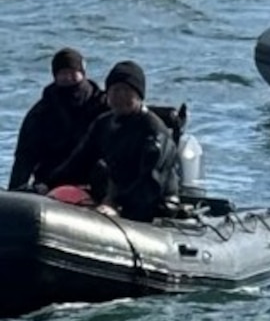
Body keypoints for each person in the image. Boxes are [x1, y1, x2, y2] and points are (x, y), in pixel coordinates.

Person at [47, 60, 179, 221]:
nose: (120, 97)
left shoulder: (154, 132)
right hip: (115, 197)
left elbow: (149, 183)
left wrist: (118, 207)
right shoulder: (104, 124)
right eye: (115, 90)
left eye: (126, 91)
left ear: (139, 95)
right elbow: (78, 162)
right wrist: (48, 184)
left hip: (152, 204)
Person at [7, 48, 106, 192]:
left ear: (83, 73)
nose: (68, 78)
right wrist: (15, 191)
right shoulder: (41, 112)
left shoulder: (103, 105)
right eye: (63, 74)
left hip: (95, 182)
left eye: (73, 73)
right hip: (51, 184)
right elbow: (24, 156)